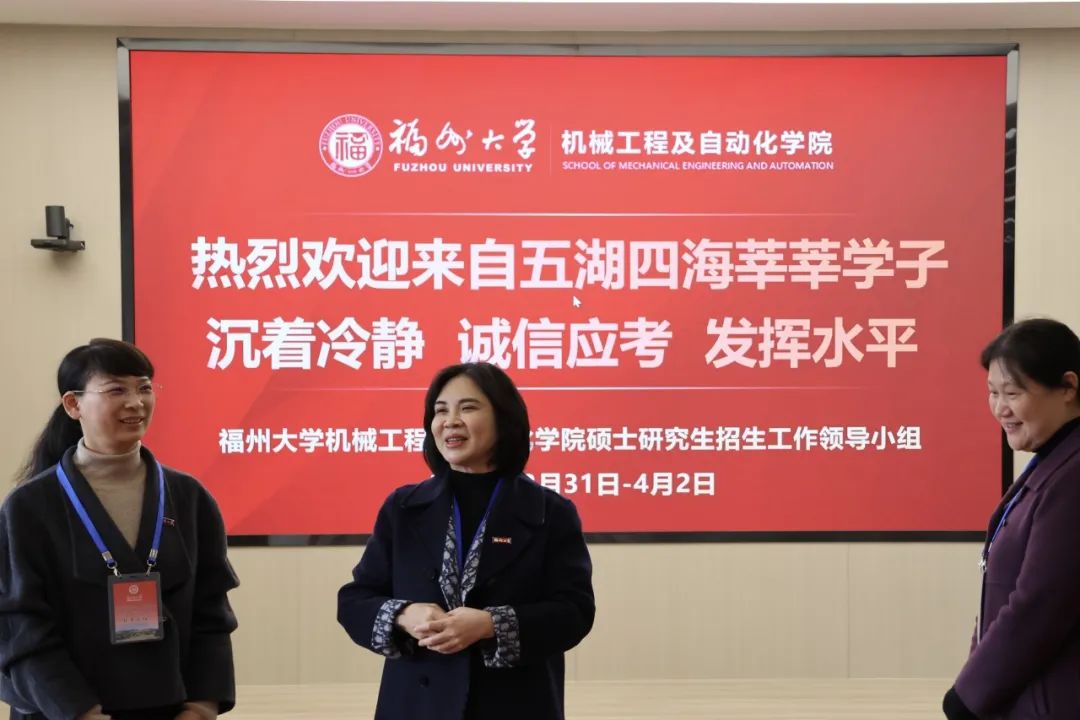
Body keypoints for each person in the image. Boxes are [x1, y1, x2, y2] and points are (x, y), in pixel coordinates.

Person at [338, 362, 595, 720]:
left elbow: (575, 612)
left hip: (516, 704)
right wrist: (403, 614)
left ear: (504, 419)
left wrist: (490, 624)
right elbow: (354, 601)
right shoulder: (403, 507)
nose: (450, 421)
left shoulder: (549, 511)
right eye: (441, 411)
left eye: (468, 408)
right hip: (417, 706)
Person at [0, 339, 239, 720]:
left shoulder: (189, 496)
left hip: (169, 710)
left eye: (144, 388)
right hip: (62, 711)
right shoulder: (29, 506)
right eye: (116, 390)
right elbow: (19, 623)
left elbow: (211, 610)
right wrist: (77, 710)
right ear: (73, 404)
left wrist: (203, 705)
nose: (136, 402)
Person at [944, 319, 1080, 720]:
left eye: (1013, 393)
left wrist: (968, 696)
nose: (1000, 408)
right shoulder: (1053, 460)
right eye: (993, 393)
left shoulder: (1073, 474)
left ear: (1068, 387)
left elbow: (1040, 604)